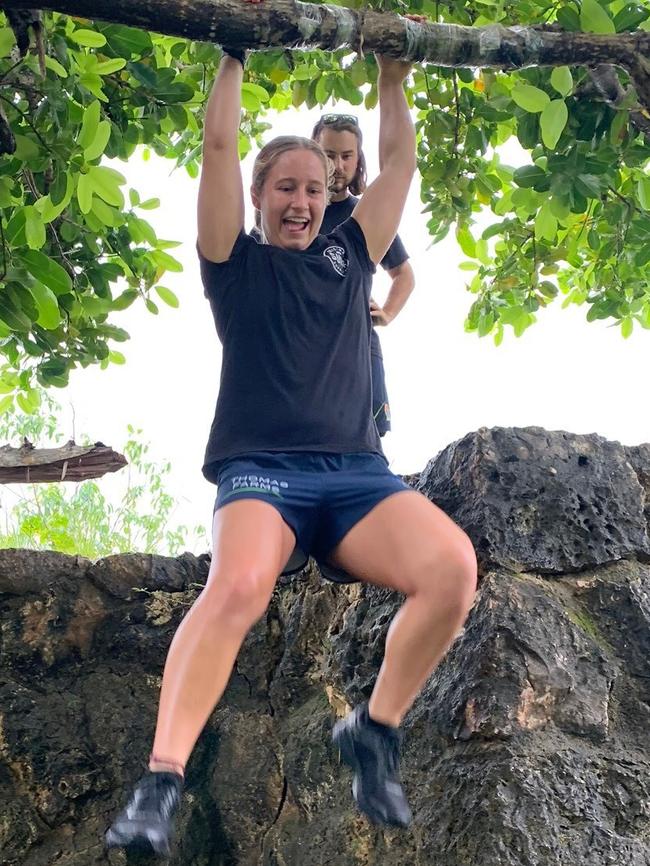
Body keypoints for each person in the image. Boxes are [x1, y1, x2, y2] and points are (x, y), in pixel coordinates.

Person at [105, 29, 477, 857]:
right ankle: (160, 783)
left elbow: (399, 168)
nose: (302, 201)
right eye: (284, 188)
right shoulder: (231, 263)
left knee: (452, 571)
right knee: (238, 584)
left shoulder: (352, 254)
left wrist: (392, 75)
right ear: (260, 196)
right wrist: (233, 55)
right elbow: (217, 141)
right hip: (262, 474)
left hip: (353, 475)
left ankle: (371, 734)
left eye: (314, 187)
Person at [311, 113, 415, 437]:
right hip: (305, 347)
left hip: (359, 350)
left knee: (368, 440)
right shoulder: (290, 211)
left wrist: (386, 313)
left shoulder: (364, 215)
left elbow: (404, 274)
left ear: (358, 160)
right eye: (329, 155)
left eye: (346, 156)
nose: (338, 165)